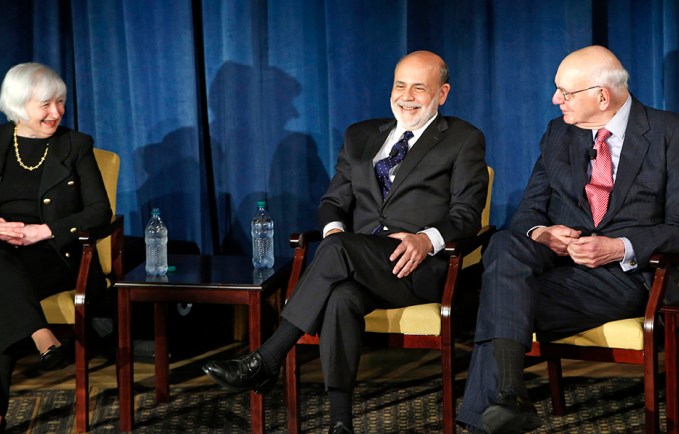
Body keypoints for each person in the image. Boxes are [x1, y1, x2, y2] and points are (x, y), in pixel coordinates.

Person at [202, 50, 488, 434]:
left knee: (336, 249)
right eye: (400, 85)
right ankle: (340, 423)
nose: (407, 96)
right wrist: (335, 228)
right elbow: (334, 201)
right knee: (340, 297)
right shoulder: (361, 135)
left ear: (442, 93)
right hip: (357, 260)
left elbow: (467, 214)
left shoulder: (463, 139)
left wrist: (425, 239)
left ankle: (266, 359)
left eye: (419, 88)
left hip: (416, 267)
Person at [456, 45, 679, 433]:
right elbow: (528, 214)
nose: (556, 101)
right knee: (504, 244)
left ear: (602, 95)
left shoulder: (668, 132)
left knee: (497, 299)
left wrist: (618, 247)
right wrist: (543, 233)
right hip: (557, 265)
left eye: (565, 93)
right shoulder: (559, 133)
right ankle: (507, 396)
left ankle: (491, 414)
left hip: (625, 278)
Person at [0, 62, 111, 434]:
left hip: (45, 254)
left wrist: (44, 231)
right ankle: (39, 333)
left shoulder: (75, 145)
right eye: (46, 104)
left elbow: (100, 212)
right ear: (18, 105)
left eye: (61, 102)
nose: (57, 112)